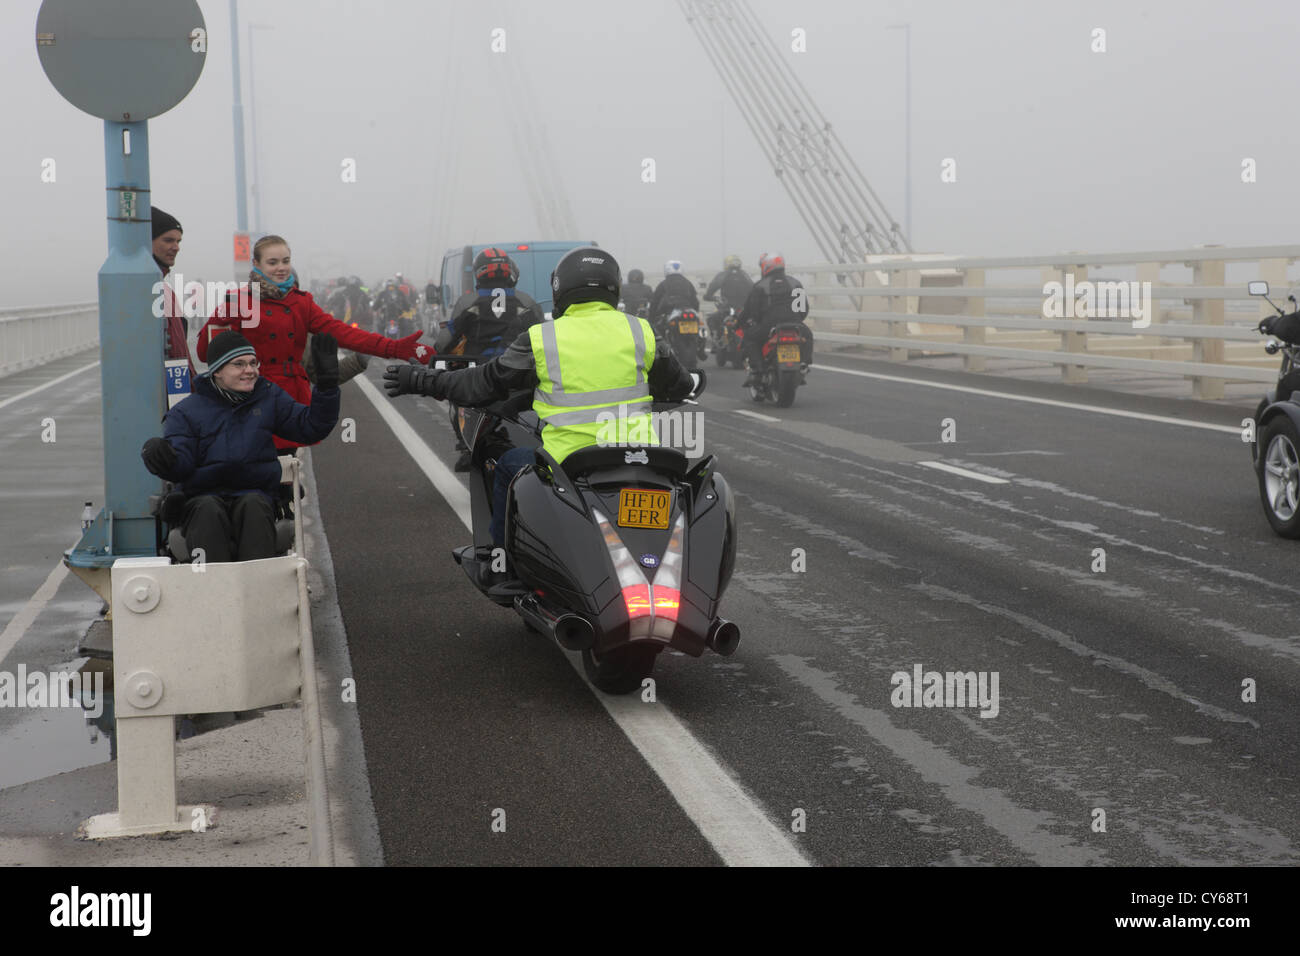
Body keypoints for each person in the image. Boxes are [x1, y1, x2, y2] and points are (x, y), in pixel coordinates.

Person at [383, 246, 695, 581]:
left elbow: (483, 383)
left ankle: (499, 566)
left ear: (561, 290)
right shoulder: (641, 331)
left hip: (567, 464)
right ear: (613, 287)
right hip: (641, 460)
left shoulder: (542, 339)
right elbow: (677, 385)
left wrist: (422, 379)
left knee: (506, 466)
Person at [196, 234, 432, 450]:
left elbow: (342, 332)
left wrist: (393, 347)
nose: (281, 268)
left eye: (285, 261)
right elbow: (206, 354)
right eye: (273, 262)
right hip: (248, 394)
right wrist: (217, 319)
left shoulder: (301, 303)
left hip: (288, 398)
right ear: (256, 265)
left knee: (288, 472)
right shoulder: (240, 301)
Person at [140, 330, 340, 562]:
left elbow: (311, 427)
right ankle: (213, 587)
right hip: (203, 498)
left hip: (255, 494)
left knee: (253, 505)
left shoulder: (268, 397)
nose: (250, 370)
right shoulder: (185, 412)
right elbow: (180, 467)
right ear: (217, 371)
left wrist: (327, 386)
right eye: (239, 364)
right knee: (208, 509)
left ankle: (259, 588)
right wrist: (161, 457)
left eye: (253, 363)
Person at [739, 252, 811, 386]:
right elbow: (803, 309)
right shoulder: (795, 283)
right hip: (795, 324)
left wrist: (742, 323)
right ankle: (803, 364)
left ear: (766, 267)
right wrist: (796, 320)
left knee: (750, 338)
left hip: (768, 326)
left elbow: (752, 311)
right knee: (808, 336)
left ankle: (757, 370)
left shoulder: (760, 286)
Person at [151, 207, 196, 378]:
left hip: (174, 390)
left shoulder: (165, 290)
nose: (176, 247)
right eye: (168, 240)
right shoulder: (145, 290)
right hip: (162, 394)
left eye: (178, 241)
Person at [703, 254, 754, 345]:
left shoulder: (723, 275)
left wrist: (708, 296)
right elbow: (754, 289)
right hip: (744, 310)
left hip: (727, 309)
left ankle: (716, 340)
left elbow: (713, 287)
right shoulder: (745, 275)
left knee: (711, 319)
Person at [649, 259, 699, 325]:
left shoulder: (663, 284)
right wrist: (695, 310)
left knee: (659, 327)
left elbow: (655, 300)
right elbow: (695, 300)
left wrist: (651, 317)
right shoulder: (688, 283)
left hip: (669, 310)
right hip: (688, 309)